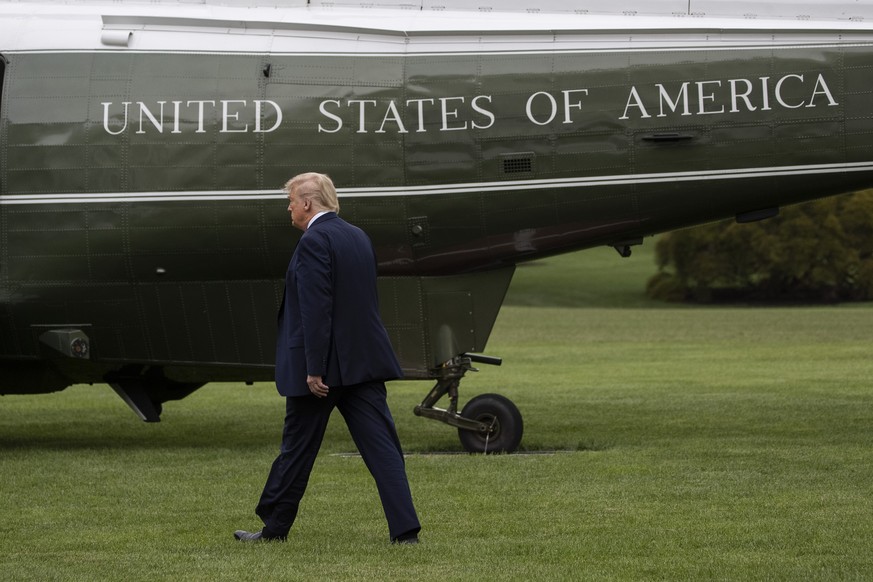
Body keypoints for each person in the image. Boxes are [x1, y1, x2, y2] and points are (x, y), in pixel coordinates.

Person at [234, 172, 421, 545]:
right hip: (364, 364)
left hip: (324, 371)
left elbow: (316, 308)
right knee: (383, 448)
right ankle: (406, 532)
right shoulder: (357, 236)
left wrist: (314, 367)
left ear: (307, 203)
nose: (288, 208)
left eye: (290, 201)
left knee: (297, 450)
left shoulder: (313, 241)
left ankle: (274, 529)